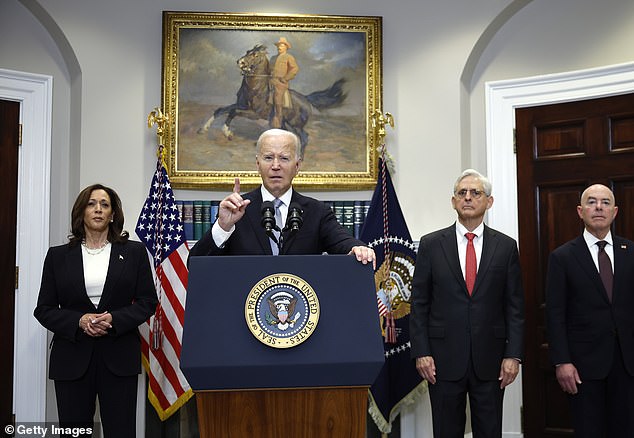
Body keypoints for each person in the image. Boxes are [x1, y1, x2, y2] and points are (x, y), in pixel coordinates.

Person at [34, 184, 157, 437]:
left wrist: (114, 318)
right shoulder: (58, 256)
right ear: (81, 212)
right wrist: (79, 321)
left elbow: (147, 302)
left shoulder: (133, 253)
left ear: (113, 214)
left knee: (121, 430)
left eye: (105, 204)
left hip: (119, 355)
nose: (98, 209)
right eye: (91, 204)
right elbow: (44, 309)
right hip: (72, 356)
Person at [409, 169, 525, 438]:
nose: (468, 198)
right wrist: (421, 352)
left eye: (476, 193)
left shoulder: (506, 247)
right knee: (447, 430)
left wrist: (513, 355)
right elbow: (420, 303)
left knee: (489, 430)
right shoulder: (431, 244)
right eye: (462, 193)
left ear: (489, 201)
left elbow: (515, 307)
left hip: (492, 360)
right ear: (453, 202)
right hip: (442, 359)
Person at [189, 128, 375, 265]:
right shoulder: (237, 210)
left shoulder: (317, 212)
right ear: (257, 164)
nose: (276, 165)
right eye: (268, 158)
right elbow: (195, 263)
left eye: (284, 158)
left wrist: (358, 249)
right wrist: (223, 226)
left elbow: (343, 242)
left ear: (297, 165)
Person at [545, 184, 634, 437]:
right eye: (592, 202)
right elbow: (555, 314)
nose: (598, 207)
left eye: (605, 202)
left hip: (627, 366)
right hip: (583, 367)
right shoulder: (562, 257)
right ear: (580, 211)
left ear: (614, 212)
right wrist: (562, 361)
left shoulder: (631, 252)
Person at [269, 36, 299, 129]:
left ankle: (278, 120)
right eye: (278, 46)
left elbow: (295, 69)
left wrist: (286, 78)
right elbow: (268, 70)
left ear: (286, 47)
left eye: (281, 46)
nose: (279, 47)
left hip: (281, 83)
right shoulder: (273, 58)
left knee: (277, 99)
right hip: (270, 81)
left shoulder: (289, 57)